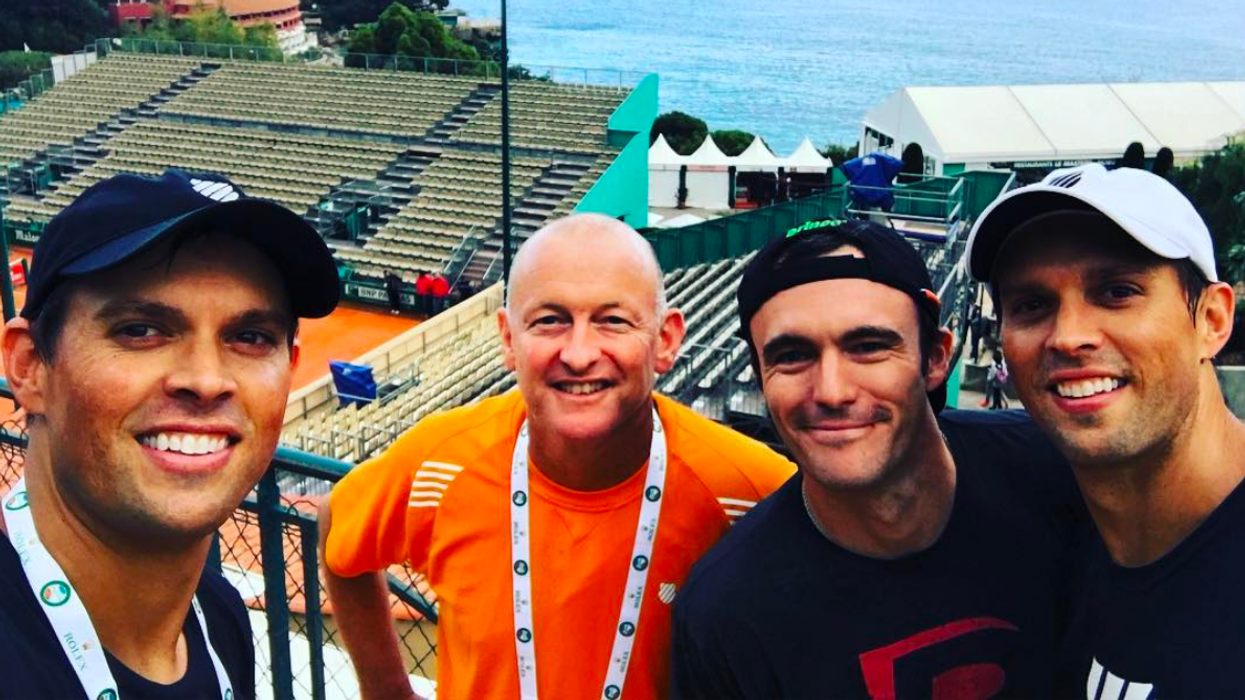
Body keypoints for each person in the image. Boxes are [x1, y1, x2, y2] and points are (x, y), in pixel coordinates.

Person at [319, 213, 794, 700]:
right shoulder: (441, 461)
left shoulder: (749, 489)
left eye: (613, 320)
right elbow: (337, 528)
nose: (580, 353)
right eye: (550, 321)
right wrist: (385, 689)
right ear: (508, 339)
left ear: (665, 340)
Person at [671, 218, 1085, 698]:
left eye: (867, 347)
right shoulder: (725, 614)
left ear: (935, 358)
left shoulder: (1061, 473)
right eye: (792, 356)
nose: (831, 391)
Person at [0, 169, 340, 697]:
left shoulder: (218, 616)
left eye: (250, 337)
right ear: (29, 367)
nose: (206, 381)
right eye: (141, 330)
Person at [968, 163, 1245, 695]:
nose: (1068, 337)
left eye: (1118, 291)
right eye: (1032, 305)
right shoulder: (1053, 535)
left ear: (1211, 321)